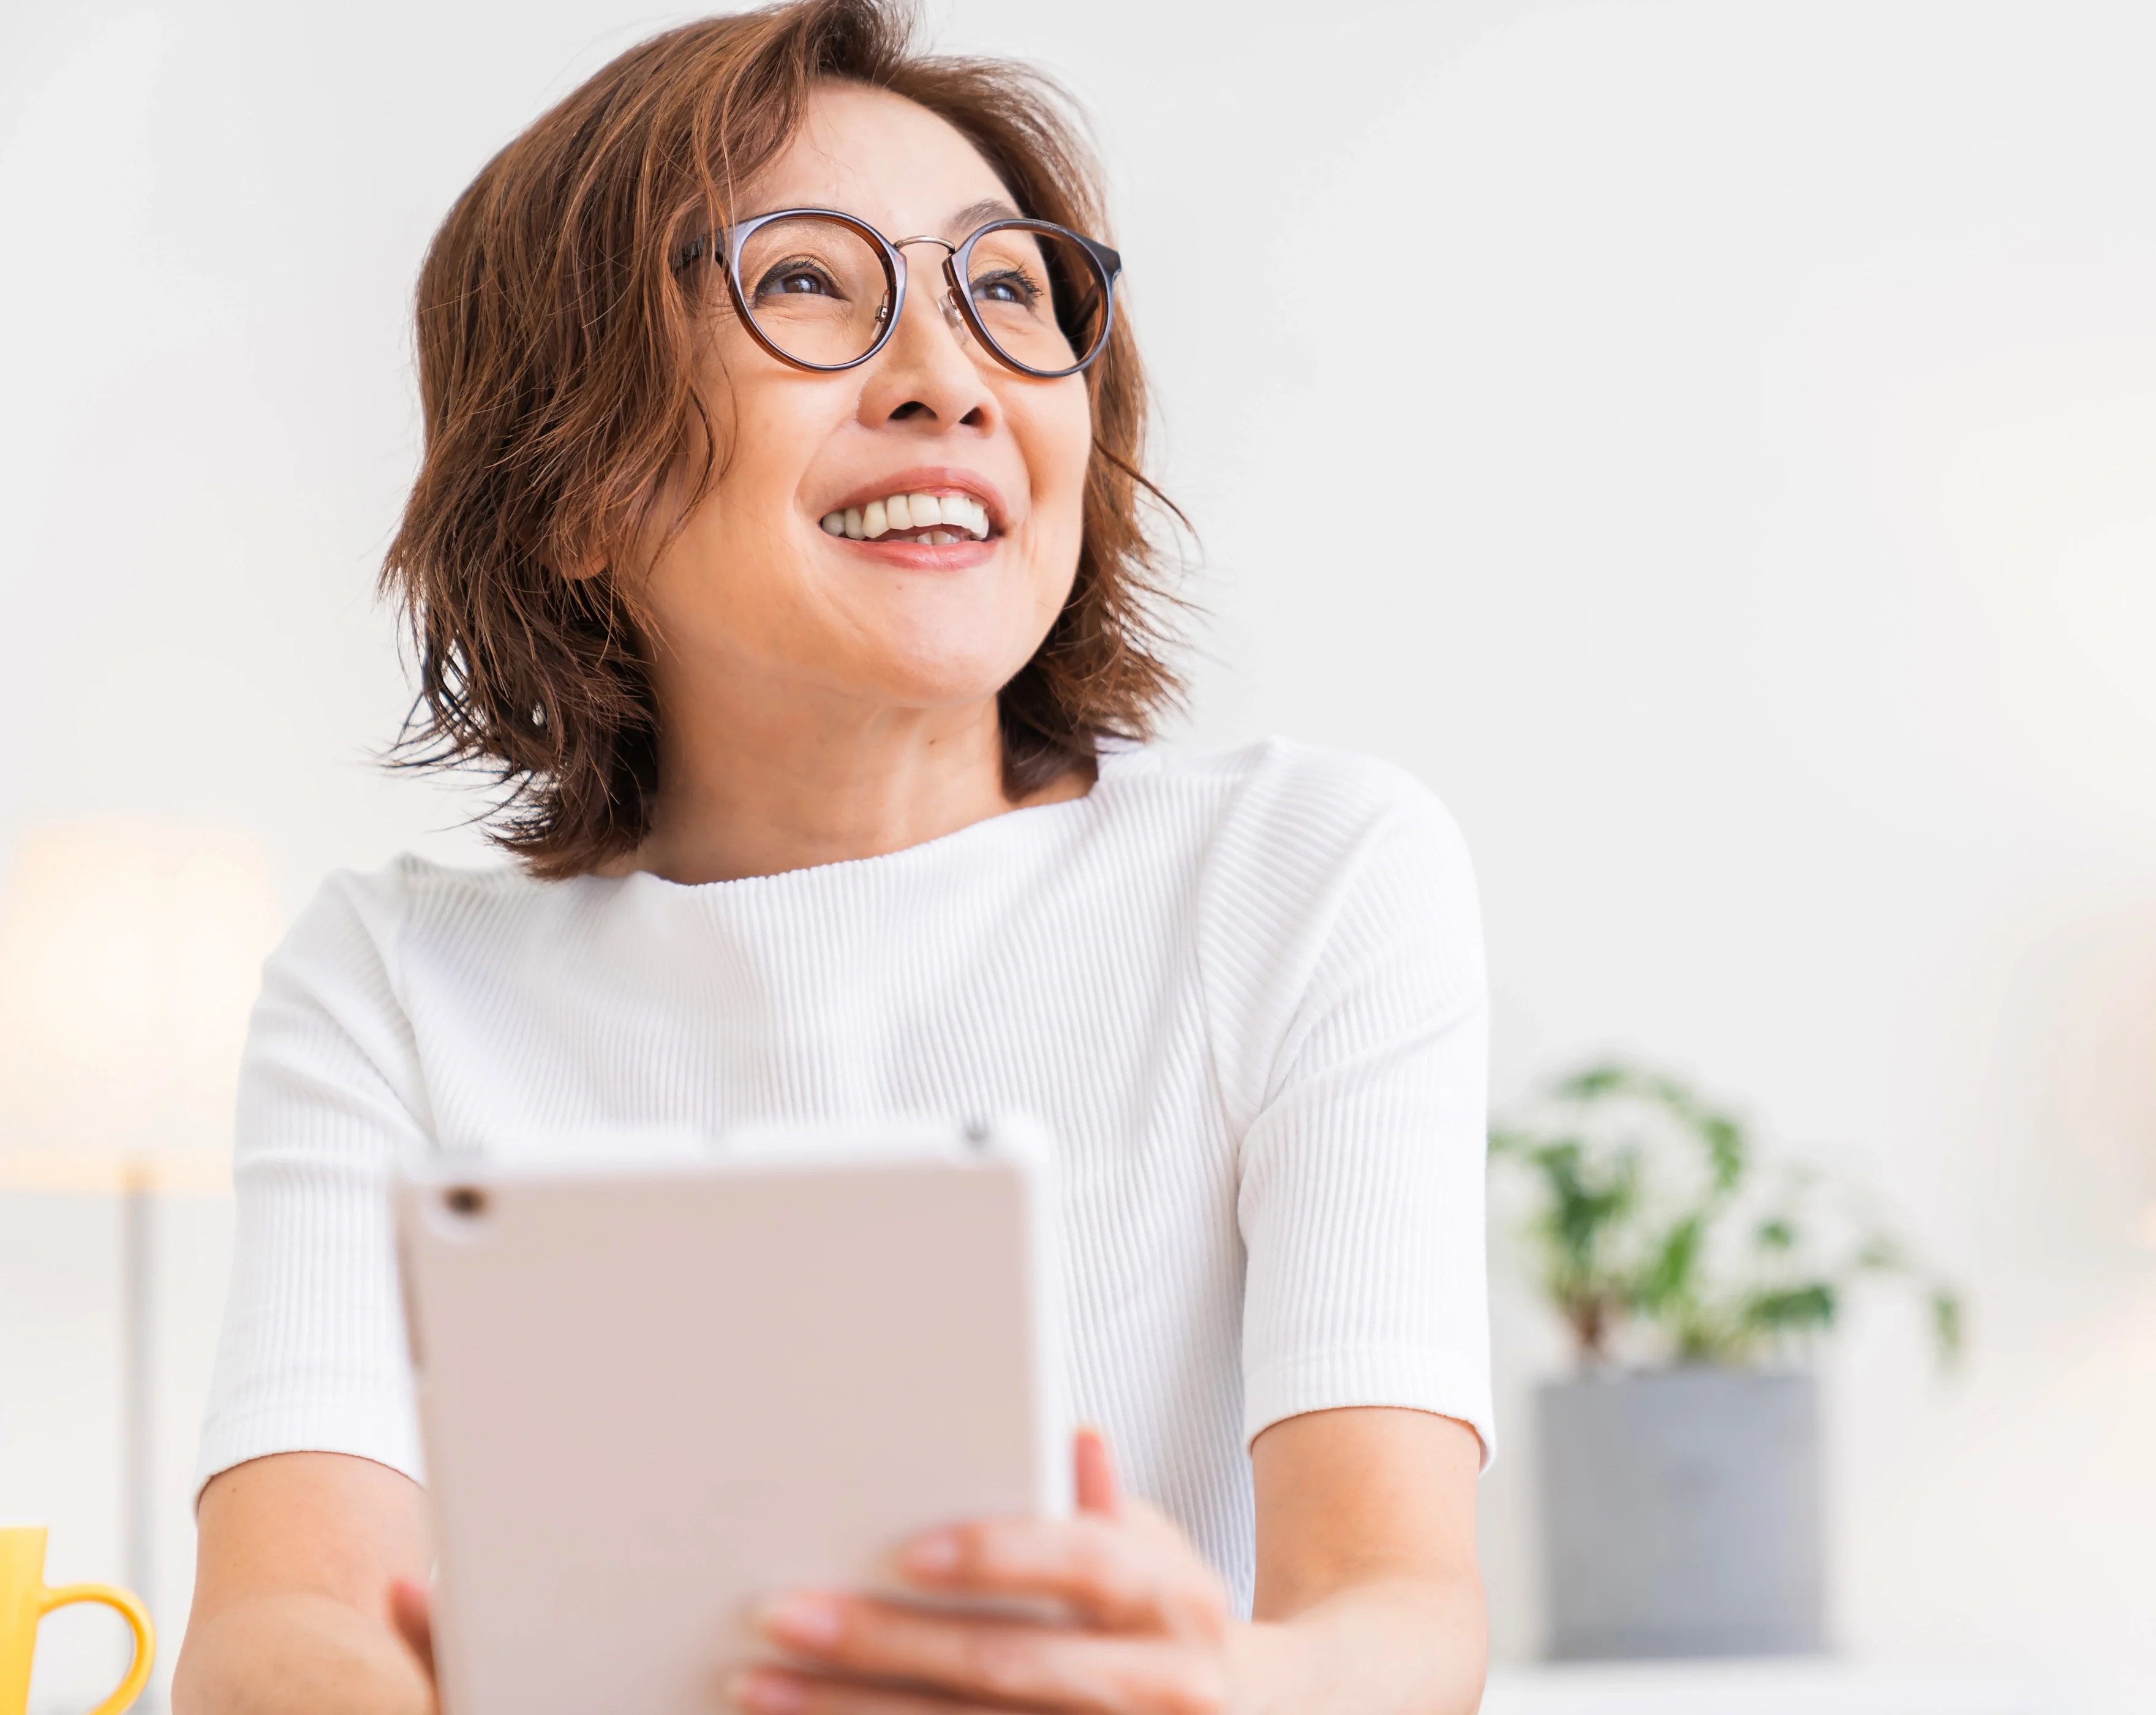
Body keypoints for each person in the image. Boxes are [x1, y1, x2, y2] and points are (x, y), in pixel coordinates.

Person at [173, 3, 1492, 1709]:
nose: (950, 375)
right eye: (803, 279)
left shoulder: (1303, 871)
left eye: (1005, 290)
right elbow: (287, 1625)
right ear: (570, 481)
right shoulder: (393, 984)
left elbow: (1397, 1622)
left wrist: (1214, 1688)